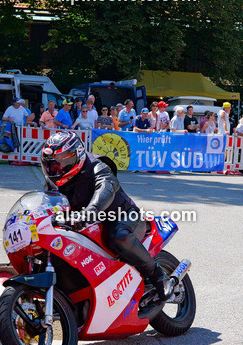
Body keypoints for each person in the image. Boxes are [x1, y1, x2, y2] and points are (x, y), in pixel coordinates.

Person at [40, 132, 174, 319]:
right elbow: (49, 204)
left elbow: (105, 190)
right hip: (86, 223)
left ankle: (158, 275)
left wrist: (88, 213)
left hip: (120, 215)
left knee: (118, 236)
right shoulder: (53, 180)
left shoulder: (98, 166)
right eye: (51, 164)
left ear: (76, 155)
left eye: (61, 162)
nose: (56, 168)